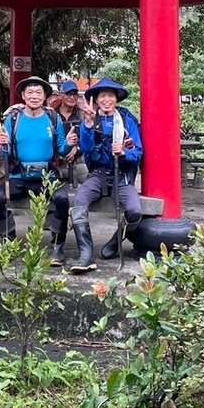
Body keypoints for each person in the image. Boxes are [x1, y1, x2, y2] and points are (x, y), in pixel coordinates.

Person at [0, 75, 77, 266]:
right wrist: (2, 144)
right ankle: (9, 241)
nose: (34, 96)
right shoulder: (13, 119)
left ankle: (57, 246)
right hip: (19, 175)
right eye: (30, 92)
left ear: (45, 96)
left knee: (62, 199)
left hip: (47, 176)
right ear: (23, 95)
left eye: (39, 92)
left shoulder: (52, 118)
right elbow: (3, 151)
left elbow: (61, 148)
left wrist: (69, 144)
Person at [70, 78, 143, 273]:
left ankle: (117, 238)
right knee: (79, 200)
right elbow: (85, 149)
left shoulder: (127, 120)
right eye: (102, 96)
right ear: (96, 100)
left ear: (116, 99)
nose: (107, 100)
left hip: (122, 176)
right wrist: (86, 123)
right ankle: (86, 254)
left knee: (135, 211)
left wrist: (123, 153)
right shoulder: (90, 119)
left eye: (111, 96)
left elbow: (138, 152)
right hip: (98, 174)